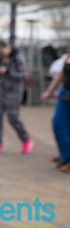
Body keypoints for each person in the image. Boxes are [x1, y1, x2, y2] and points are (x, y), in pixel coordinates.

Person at [0, 40, 34, 154]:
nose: (1, 54)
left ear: (7, 47)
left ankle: (26, 140)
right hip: (1, 90)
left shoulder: (18, 57)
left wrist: (7, 71)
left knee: (13, 118)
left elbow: (23, 74)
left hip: (14, 91)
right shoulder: (0, 57)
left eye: (3, 51)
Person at [41, 41, 70, 173]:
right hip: (64, 96)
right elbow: (60, 75)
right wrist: (48, 92)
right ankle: (65, 156)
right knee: (58, 124)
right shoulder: (67, 58)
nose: (68, 48)